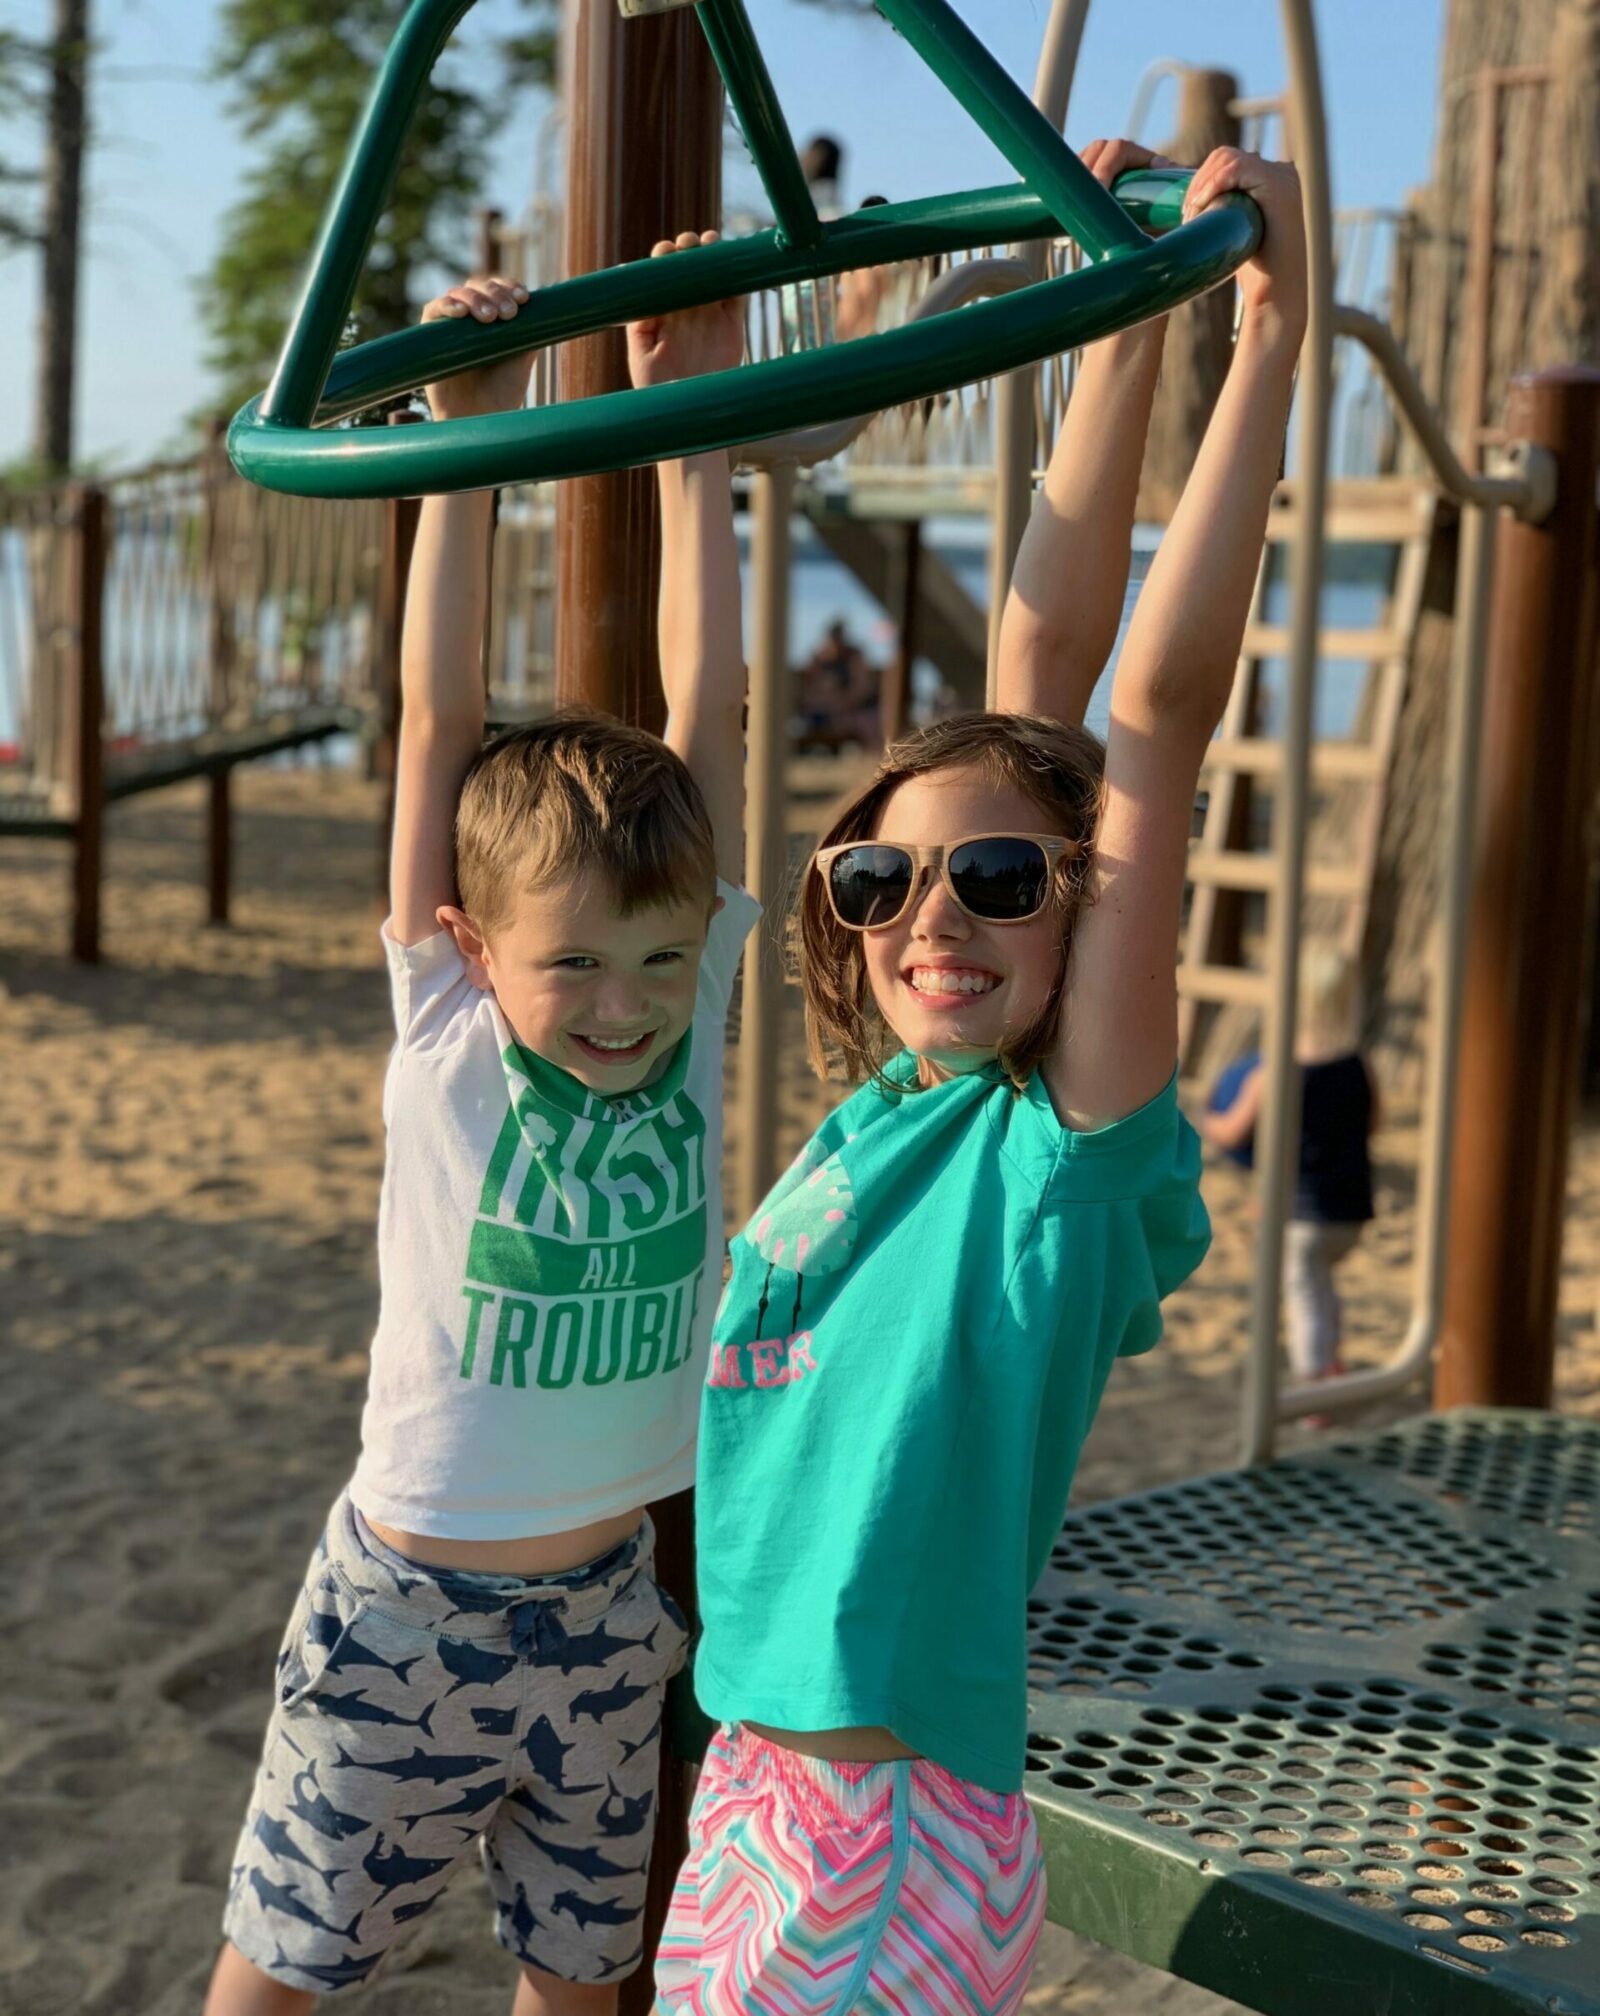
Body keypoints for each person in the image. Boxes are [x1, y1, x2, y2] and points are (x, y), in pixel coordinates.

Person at [655, 140, 1307, 2014]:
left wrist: (1258, 335)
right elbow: (1035, 656)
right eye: (883, 878)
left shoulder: (1051, 1152)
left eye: (1003, 879)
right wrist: (1120, 318)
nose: (935, 911)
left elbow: (1144, 728)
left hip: (885, 1820)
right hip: (763, 1772)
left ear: (1074, 913)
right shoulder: (886, 1121)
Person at [205, 237, 757, 2016]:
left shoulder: (692, 1008)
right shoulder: (447, 1024)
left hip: (605, 1612)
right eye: (575, 961)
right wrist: (473, 432)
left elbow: (710, 715)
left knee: (586, 1976)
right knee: (285, 1973)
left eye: (661, 959)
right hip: (407, 1607)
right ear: (467, 946)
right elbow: (438, 721)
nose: (623, 1001)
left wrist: (696, 430)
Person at [1203, 942, 1379, 1384]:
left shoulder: (1271, 1074)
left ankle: (1314, 1375)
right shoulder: (1361, 1066)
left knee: (1302, 1294)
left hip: (1299, 1215)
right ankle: (1333, 1358)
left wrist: (1209, 1118)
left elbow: (1234, 1132)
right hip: (1350, 1212)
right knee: (1322, 1287)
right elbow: (1373, 1124)